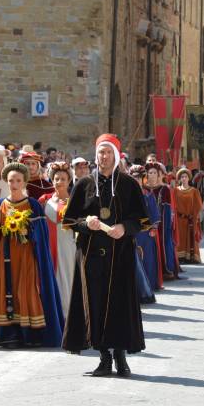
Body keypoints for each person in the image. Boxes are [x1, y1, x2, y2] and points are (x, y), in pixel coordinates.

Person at [62, 134, 149, 377]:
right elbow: (69, 220)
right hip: (91, 255)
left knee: (120, 304)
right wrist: (85, 223)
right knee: (95, 304)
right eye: (101, 152)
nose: (104, 157)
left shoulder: (129, 184)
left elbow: (141, 220)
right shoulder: (84, 184)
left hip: (120, 254)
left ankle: (121, 356)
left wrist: (125, 227)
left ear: (116, 155)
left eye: (108, 152)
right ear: (96, 155)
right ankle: (103, 356)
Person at [0, 163, 64, 348]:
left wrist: (27, 229)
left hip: (26, 256)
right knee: (5, 290)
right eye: (11, 180)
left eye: (18, 180)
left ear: (24, 182)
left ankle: (29, 334)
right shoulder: (0, 204)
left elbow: (42, 233)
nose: (14, 184)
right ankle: (8, 335)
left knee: (26, 290)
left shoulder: (33, 205)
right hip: (4, 256)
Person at [39, 161, 76, 320]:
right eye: (56, 178)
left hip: (69, 246)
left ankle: (69, 316)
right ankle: (53, 317)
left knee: (68, 278)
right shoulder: (44, 200)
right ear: (51, 180)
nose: (59, 182)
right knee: (50, 278)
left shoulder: (75, 201)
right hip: (48, 245)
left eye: (63, 179)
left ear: (69, 181)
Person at [129, 164, 160, 300]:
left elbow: (154, 212)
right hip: (132, 232)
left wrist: (153, 228)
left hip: (146, 233)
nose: (137, 180)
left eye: (139, 177)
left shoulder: (148, 195)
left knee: (147, 259)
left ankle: (148, 285)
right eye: (134, 177)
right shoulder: (126, 195)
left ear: (143, 179)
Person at [144, 162, 177, 280]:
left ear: (159, 175)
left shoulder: (164, 189)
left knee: (163, 242)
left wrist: (164, 224)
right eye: (149, 173)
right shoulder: (144, 188)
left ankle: (165, 270)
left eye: (154, 173)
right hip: (146, 222)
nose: (151, 175)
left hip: (162, 222)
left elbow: (167, 208)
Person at [174, 168, 203, 264]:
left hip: (191, 218)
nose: (184, 178)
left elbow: (198, 205)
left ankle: (191, 257)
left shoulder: (194, 191)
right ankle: (180, 257)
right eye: (182, 177)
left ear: (188, 178)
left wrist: (195, 216)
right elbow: (173, 205)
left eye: (185, 177)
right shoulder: (175, 191)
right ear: (179, 179)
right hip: (179, 219)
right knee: (180, 237)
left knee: (191, 237)